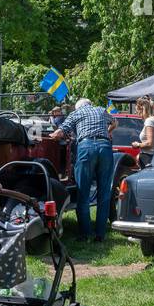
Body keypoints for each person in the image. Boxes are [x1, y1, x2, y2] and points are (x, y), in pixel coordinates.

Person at [54, 97, 117, 241]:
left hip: (86, 147)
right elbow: (115, 122)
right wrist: (107, 132)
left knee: (83, 191)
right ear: (90, 104)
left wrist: (50, 135)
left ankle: (85, 234)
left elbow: (61, 132)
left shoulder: (76, 113)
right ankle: (100, 234)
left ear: (78, 107)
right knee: (104, 192)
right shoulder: (101, 110)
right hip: (105, 147)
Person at [130, 96, 154, 168]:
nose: (136, 113)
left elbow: (150, 143)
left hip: (148, 158)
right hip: (151, 156)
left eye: (137, 110)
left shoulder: (149, 121)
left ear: (142, 109)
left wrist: (137, 145)